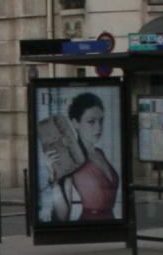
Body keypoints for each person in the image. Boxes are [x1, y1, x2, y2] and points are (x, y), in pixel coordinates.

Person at [48, 92, 119, 221]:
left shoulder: (99, 153)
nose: (99, 127)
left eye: (101, 121)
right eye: (91, 122)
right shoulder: (72, 158)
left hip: (110, 222)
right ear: (75, 123)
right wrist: (55, 182)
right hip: (91, 223)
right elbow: (62, 215)